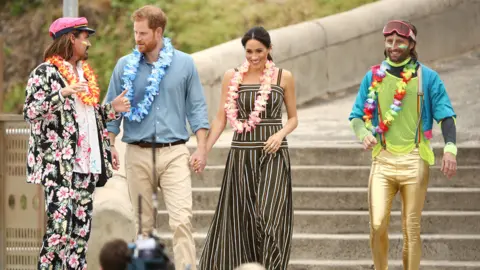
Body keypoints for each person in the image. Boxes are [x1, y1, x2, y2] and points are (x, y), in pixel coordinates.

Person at [104, 5, 210, 270]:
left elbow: (197, 108)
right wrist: (110, 145)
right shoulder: (124, 66)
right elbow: (112, 109)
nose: (137, 38)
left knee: (182, 220)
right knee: (143, 226)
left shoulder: (184, 63)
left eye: (142, 33)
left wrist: (202, 149)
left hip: (174, 152)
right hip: (137, 153)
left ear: (158, 31)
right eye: (135, 33)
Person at [348, 20, 457, 270]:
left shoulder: (427, 77)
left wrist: (450, 148)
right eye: (389, 41)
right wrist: (362, 131)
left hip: (414, 159)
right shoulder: (373, 76)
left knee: (411, 229)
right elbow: (355, 115)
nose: (394, 46)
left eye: (400, 41)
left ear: (411, 44)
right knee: (376, 225)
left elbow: (446, 115)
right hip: (383, 159)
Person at [23, 17, 131, 270]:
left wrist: (110, 110)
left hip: (87, 165)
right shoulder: (45, 73)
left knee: (79, 236)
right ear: (71, 38)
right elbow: (30, 111)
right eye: (85, 37)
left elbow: (86, 119)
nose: (89, 43)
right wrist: (62, 92)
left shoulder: (83, 74)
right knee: (59, 231)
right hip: (59, 167)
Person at [198, 26, 298, 270]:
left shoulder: (283, 76)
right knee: (242, 220)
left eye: (259, 51)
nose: (254, 57)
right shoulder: (231, 77)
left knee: (270, 215)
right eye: (249, 52)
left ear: (270, 49)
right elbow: (221, 118)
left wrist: (280, 133)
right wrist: (204, 150)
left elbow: (294, 118)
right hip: (241, 156)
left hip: (273, 154)